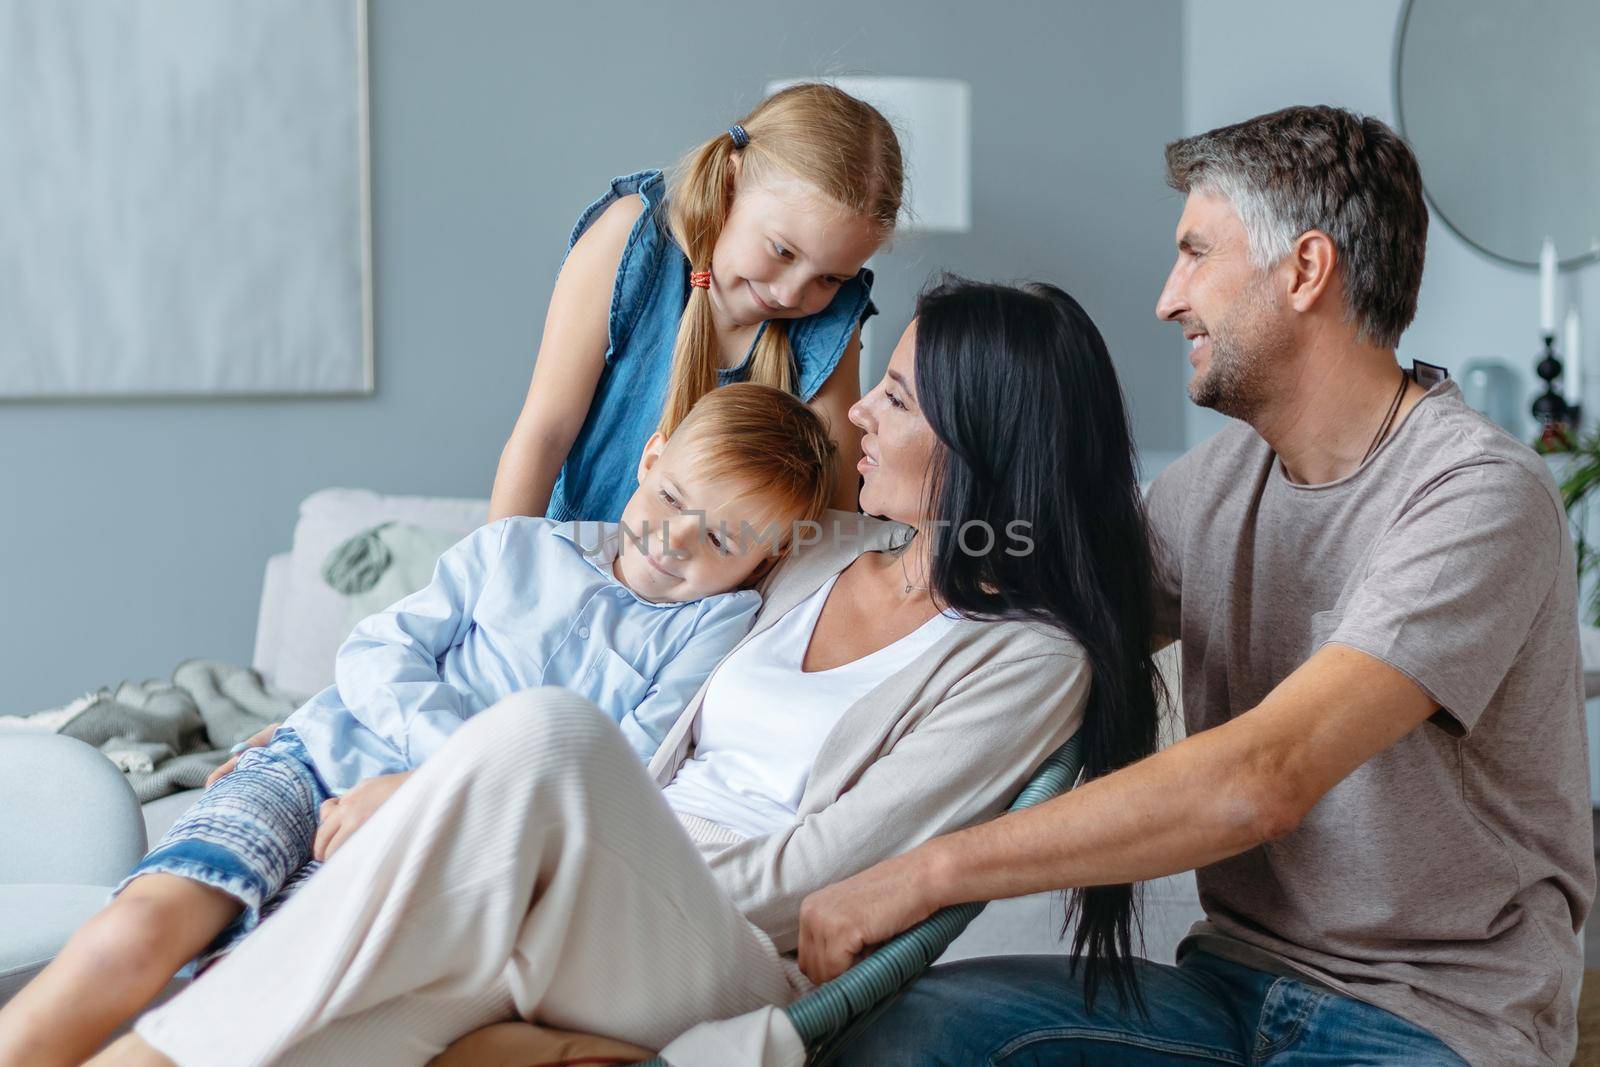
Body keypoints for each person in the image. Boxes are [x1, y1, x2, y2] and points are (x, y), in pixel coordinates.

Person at [70, 278, 1165, 1067]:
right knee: (333, 1032)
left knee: (550, 730)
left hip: (720, 936)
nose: (858, 417)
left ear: (981, 444)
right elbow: (630, 552)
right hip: (583, 862)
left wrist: (537, 838)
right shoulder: (822, 547)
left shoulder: (1024, 657)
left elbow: (830, 866)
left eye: (895, 396)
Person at [808, 106, 1596, 1067]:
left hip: (1429, 1018)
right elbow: (1039, 627)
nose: (1167, 297)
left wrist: (925, 873)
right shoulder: (1222, 483)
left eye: (1194, 252)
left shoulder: (1476, 493)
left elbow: (1262, 779)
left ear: (1305, 271)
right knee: (902, 1036)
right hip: (1227, 988)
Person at [0, 382, 839, 1067]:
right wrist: (447, 766)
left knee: (243, 997)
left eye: (722, 535)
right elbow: (374, 653)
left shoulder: (710, 631)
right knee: (134, 934)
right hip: (312, 760)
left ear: (764, 557)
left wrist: (430, 796)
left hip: (428, 838)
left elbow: (620, 765)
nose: (673, 538)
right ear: (650, 458)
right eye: (670, 497)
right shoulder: (515, 549)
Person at [488, 82, 903, 524]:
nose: (789, 294)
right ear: (730, 182)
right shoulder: (632, 242)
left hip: (721, 594)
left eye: (829, 278)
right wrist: (501, 579)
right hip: (570, 558)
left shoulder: (830, 322)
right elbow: (544, 434)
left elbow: (832, 516)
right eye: (782, 251)